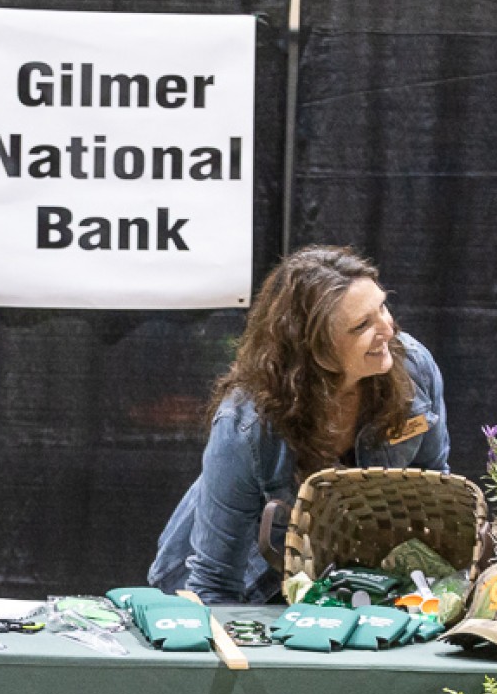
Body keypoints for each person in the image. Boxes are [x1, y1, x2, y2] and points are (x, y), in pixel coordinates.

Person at [149, 245, 450, 603]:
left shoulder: (414, 368)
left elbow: (434, 488)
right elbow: (214, 583)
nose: (388, 328)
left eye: (382, 307)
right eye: (361, 325)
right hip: (253, 586)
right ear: (314, 348)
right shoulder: (247, 423)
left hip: (348, 580)